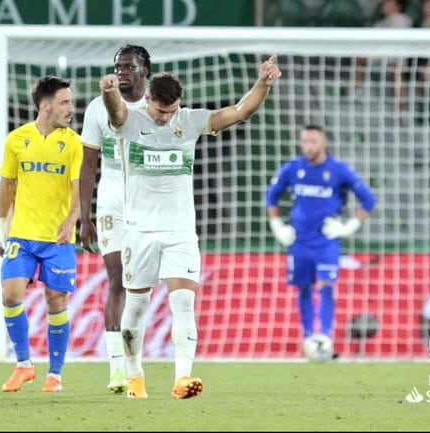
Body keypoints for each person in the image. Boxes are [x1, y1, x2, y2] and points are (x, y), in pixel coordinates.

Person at [99, 55, 282, 399]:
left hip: (181, 232)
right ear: (149, 99)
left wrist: (263, 83)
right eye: (160, 111)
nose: (166, 117)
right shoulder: (130, 121)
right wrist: (110, 92)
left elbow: (241, 111)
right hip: (138, 231)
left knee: (183, 303)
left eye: (172, 111)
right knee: (136, 307)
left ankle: (183, 378)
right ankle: (135, 374)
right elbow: (115, 112)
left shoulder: (191, 121)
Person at [0, 76, 83, 393]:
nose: (71, 108)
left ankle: (55, 375)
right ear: (45, 106)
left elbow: (77, 188)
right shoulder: (17, 140)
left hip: (57, 238)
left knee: (55, 299)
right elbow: (6, 185)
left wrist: (73, 217)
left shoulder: (72, 143)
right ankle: (23, 365)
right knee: (10, 293)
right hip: (22, 234)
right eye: (64, 102)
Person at [265, 124, 376, 360]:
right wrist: (278, 227)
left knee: (326, 286)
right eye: (305, 142)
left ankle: (325, 337)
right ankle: (308, 338)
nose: (308, 146)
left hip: (326, 242)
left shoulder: (338, 171)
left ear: (323, 142)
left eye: (313, 141)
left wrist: (348, 226)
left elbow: (368, 200)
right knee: (303, 288)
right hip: (300, 242)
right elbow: (271, 198)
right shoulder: (293, 169)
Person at [79, 45, 151, 394]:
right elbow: (88, 164)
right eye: (118, 67)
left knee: (144, 283)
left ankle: (135, 358)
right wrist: (84, 215)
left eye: (129, 66)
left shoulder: (158, 107)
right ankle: (117, 369)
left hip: (151, 207)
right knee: (117, 277)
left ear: (145, 70)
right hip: (111, 205)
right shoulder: (96, 108)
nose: (122, 72)